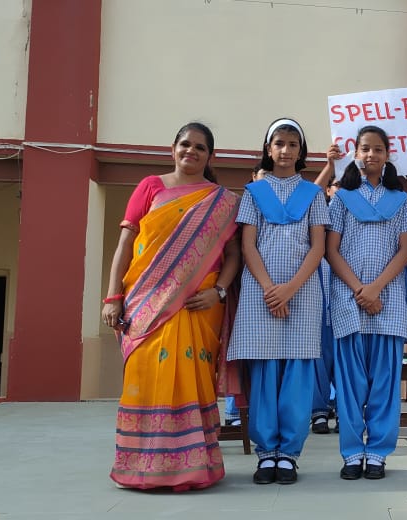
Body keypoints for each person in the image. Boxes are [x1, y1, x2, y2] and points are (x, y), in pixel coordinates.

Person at [103, 122, 240, 491]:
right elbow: (125, 244)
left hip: (199, 305)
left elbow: (233, 255)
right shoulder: (151, 186)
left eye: (199, 147)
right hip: (145, 303)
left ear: (210, 156)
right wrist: (113, 297)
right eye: (185, 144)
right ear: (173, 148)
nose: (191, 151)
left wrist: (220, 292)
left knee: (190, 383)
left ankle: (192, 467)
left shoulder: (222, 201)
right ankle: (141, 466)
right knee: (145, 377)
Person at [228, 118, 329, 485]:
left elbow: (318, 247)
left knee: (297, 375)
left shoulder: (313, 194)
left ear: (301, 151)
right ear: (268, 149)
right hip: (260, 294)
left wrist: (290, 289)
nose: (285, 150)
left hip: (302, 295)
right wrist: (272, 288)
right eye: (279, 143)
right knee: (265, 373)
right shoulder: (253, 193)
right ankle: (266, 451)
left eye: (292, 144)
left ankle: (288, 453)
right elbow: (248, 245)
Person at [325, 125, 407, 480]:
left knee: (384, 383)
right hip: (349, 301)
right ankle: (352, 452)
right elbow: (331, 250)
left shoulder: (400, 200)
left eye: (378, 149)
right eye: (365, 148)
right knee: (349, 385)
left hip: (388, 301)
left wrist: (376, 288)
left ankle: (377, 451)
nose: (371, 155)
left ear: (387, 155)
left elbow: (405, 251)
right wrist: (359, 290)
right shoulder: (342, 198)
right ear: (355, 153)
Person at [311, 143, 344, 435]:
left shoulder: (354, 209)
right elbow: (309, 194)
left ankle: (345, 410)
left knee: (345, 361)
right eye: (336, 185)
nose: (340, 190)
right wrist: (330, 166)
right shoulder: (318, 209)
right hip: (318, 300)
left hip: (346, 298)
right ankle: (319, 412)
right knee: (319, 360)